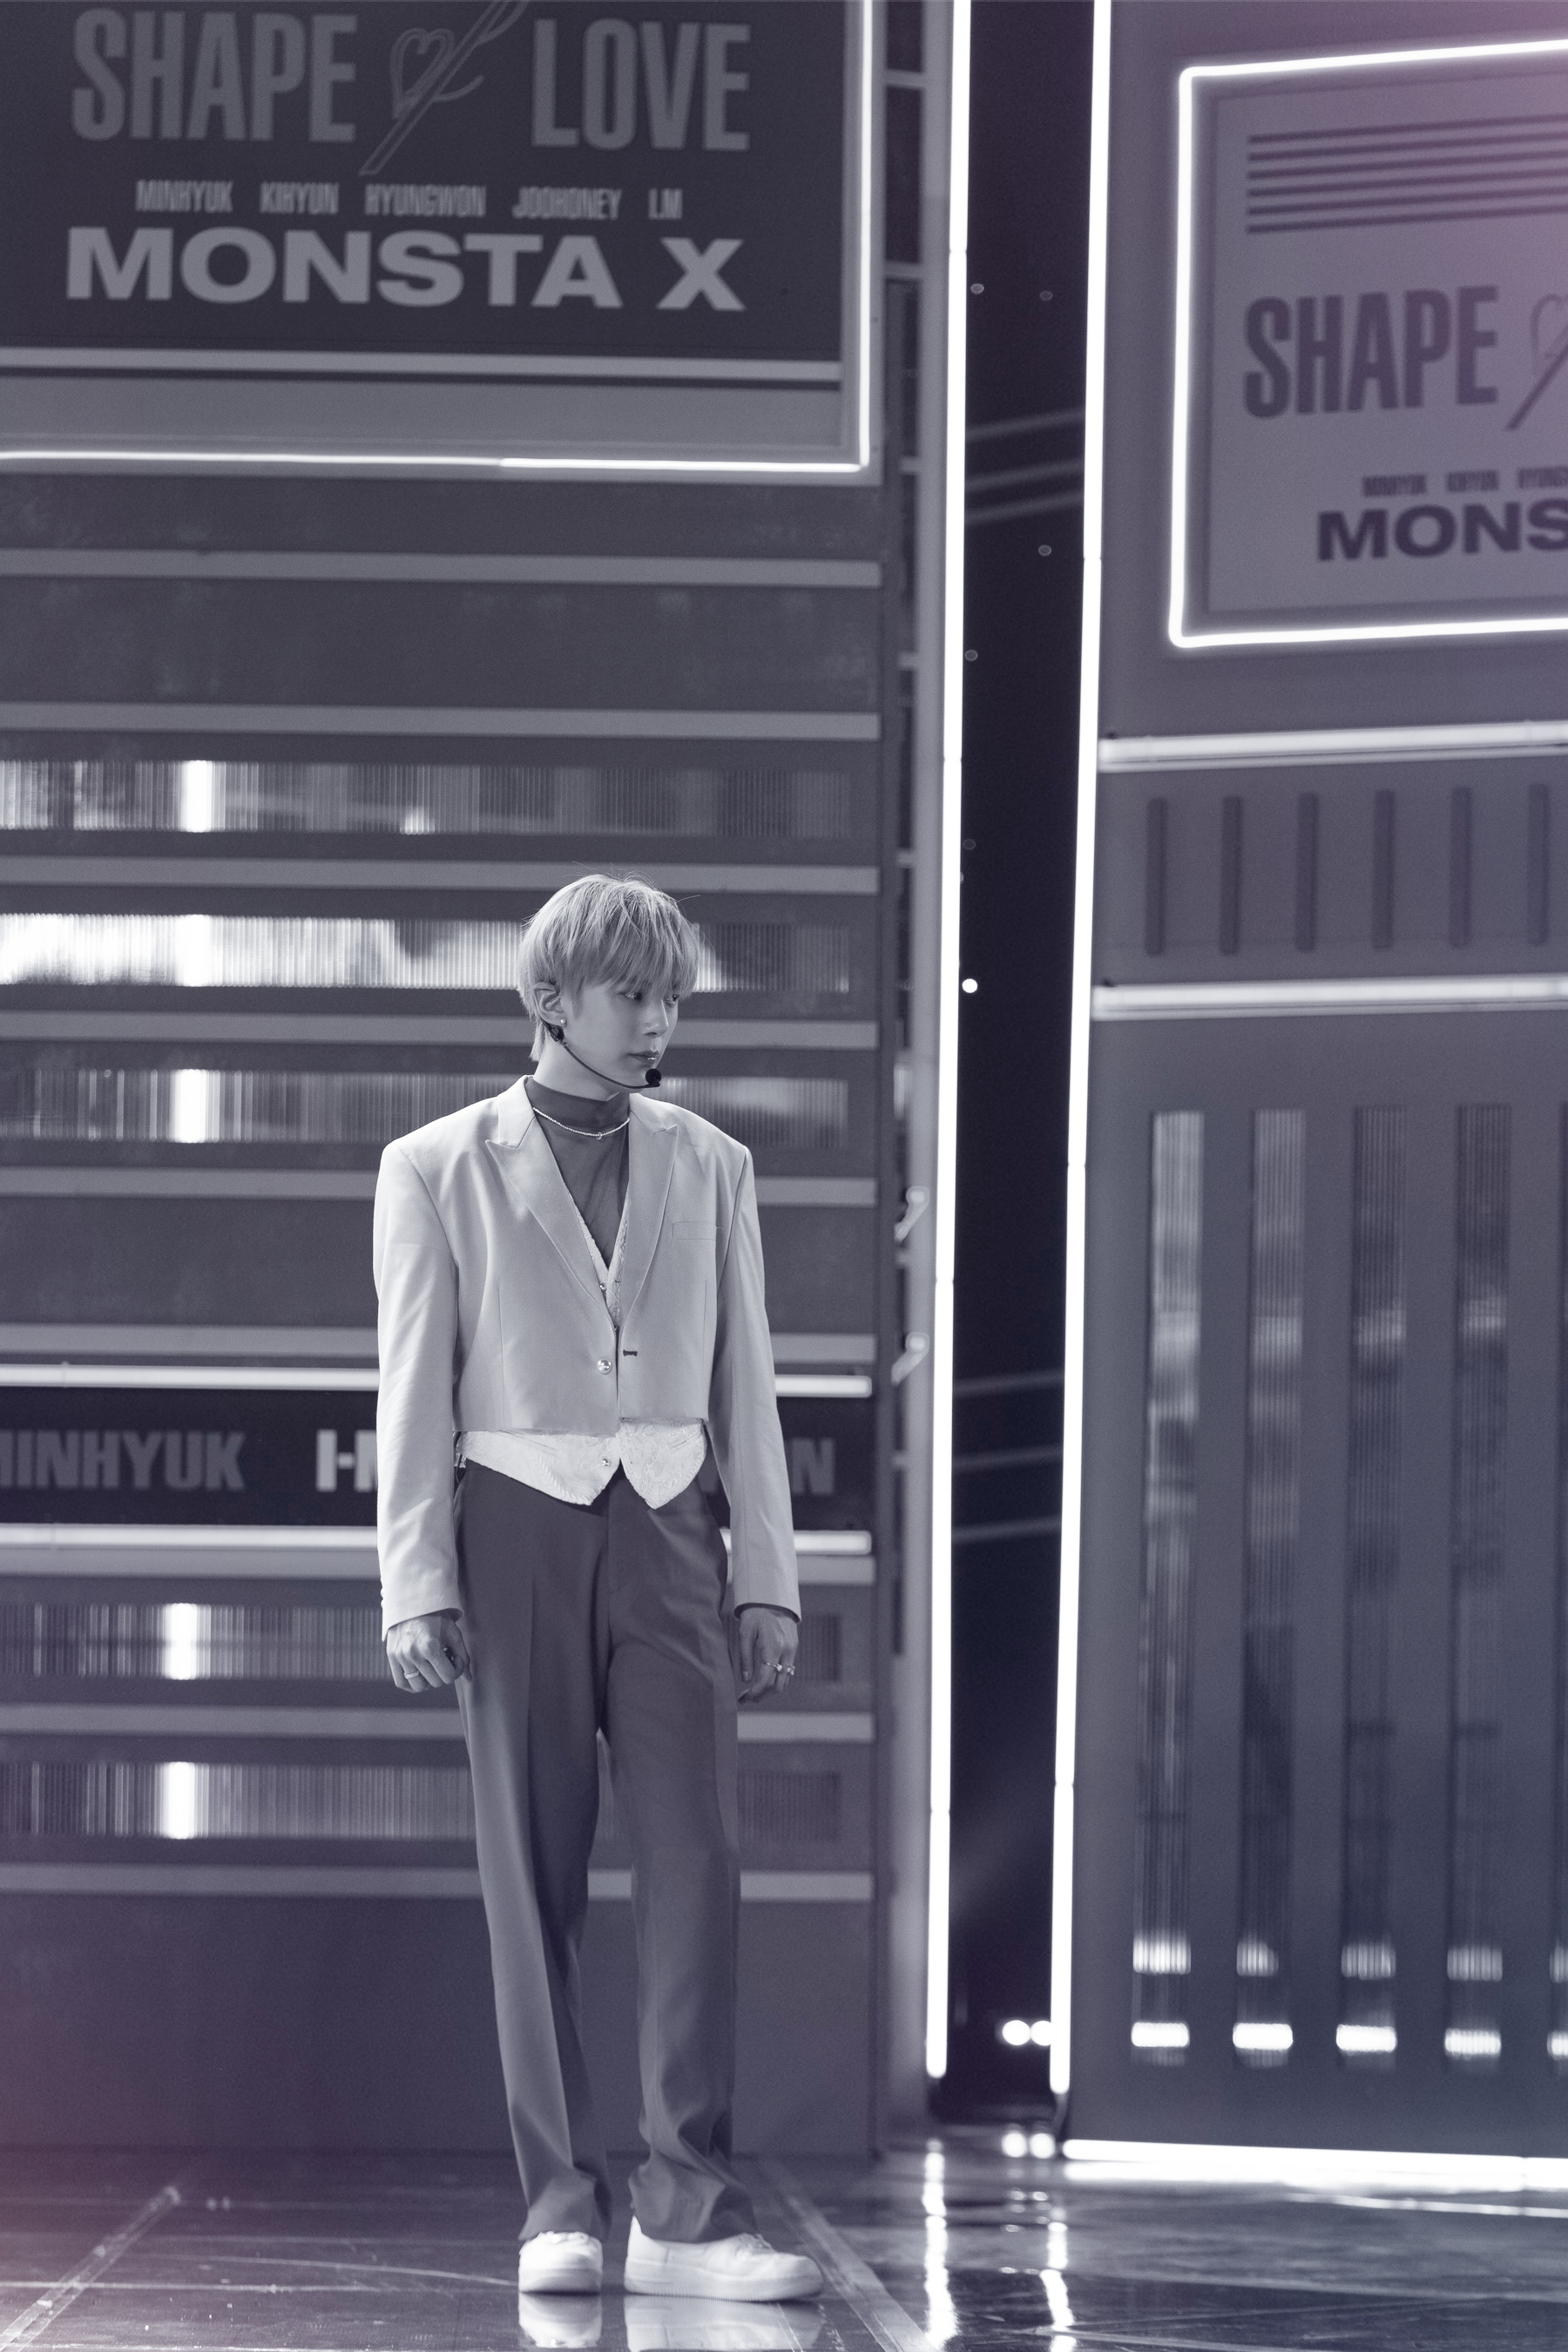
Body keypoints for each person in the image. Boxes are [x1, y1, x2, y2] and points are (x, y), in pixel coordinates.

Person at [373, 873, 824, 2305]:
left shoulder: (714, 1163)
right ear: (550, 999)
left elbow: (750, 1384)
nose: (657, 1021)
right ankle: (559, 2203)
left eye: (672, 995)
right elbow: (411, 1388)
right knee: (532, 1872)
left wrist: (767, 1576)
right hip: (511, 1524)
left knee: (698, 1866)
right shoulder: (435, 1166)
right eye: (633, 994)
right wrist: (414, 1581)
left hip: (675, 1532)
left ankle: (689, 2212)